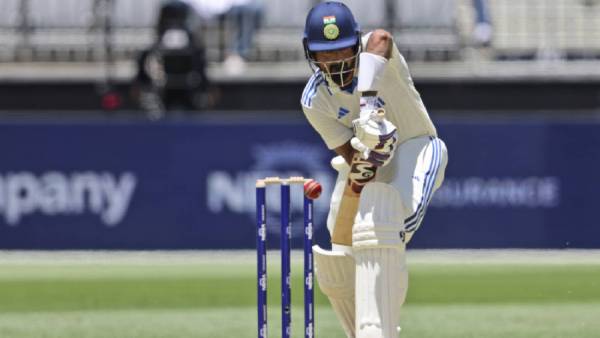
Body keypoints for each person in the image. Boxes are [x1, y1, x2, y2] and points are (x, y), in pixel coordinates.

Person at [301, 2, 448, 337]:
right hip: (374, 163)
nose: (334, 61)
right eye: (325, 54)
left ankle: (379, 330)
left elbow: (382, 36)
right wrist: (372, 156)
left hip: (418, 147)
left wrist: (368, 103)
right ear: (311, 54)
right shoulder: (314, 100)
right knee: (339, 255)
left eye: (341, 50)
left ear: (355, 44)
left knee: (385, 225)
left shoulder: (374, 55)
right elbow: (352, 161)